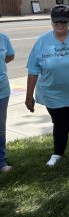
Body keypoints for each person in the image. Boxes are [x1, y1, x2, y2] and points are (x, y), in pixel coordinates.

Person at [25, 5, 69, 166]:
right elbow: (33, 71)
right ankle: (58, 153)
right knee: (59, 122)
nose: (60, 25)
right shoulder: (42, 41)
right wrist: (29, 96)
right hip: (52, 92)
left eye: (64, 22)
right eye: (56, 22)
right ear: (51, 22)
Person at [0, 33, 14, 173]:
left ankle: (1, 162)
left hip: (2, 90)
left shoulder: (3, 38)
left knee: (0, 128)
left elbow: (10, 56)